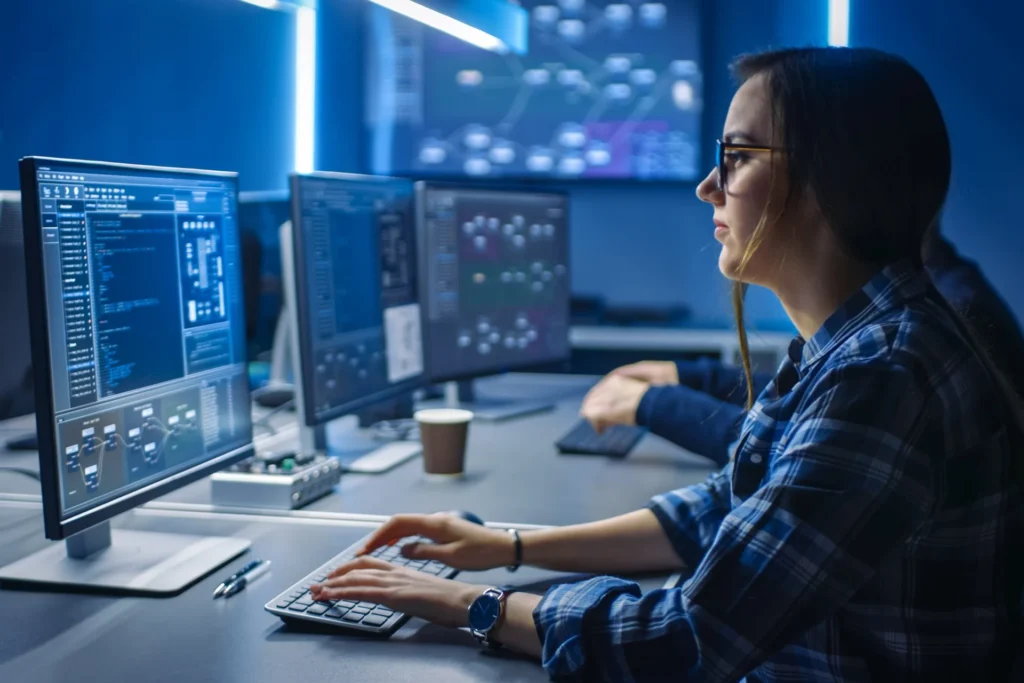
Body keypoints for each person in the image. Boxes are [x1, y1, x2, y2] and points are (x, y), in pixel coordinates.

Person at [309, 47, 1024, 681]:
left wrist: (474, 604)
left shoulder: (885, 374)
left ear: (828, 183)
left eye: (738, 157)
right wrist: (509, 544)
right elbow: (722, 508)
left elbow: (685, 641)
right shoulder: (848, 342)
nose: (708, 187)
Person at [579, 223, 1024, 467]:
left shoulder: (900, 348)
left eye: (740, 158)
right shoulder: (925, 291)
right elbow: (810, 399)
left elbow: (795, 448)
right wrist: (691, 377)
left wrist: (655, 405)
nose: (710, 188)